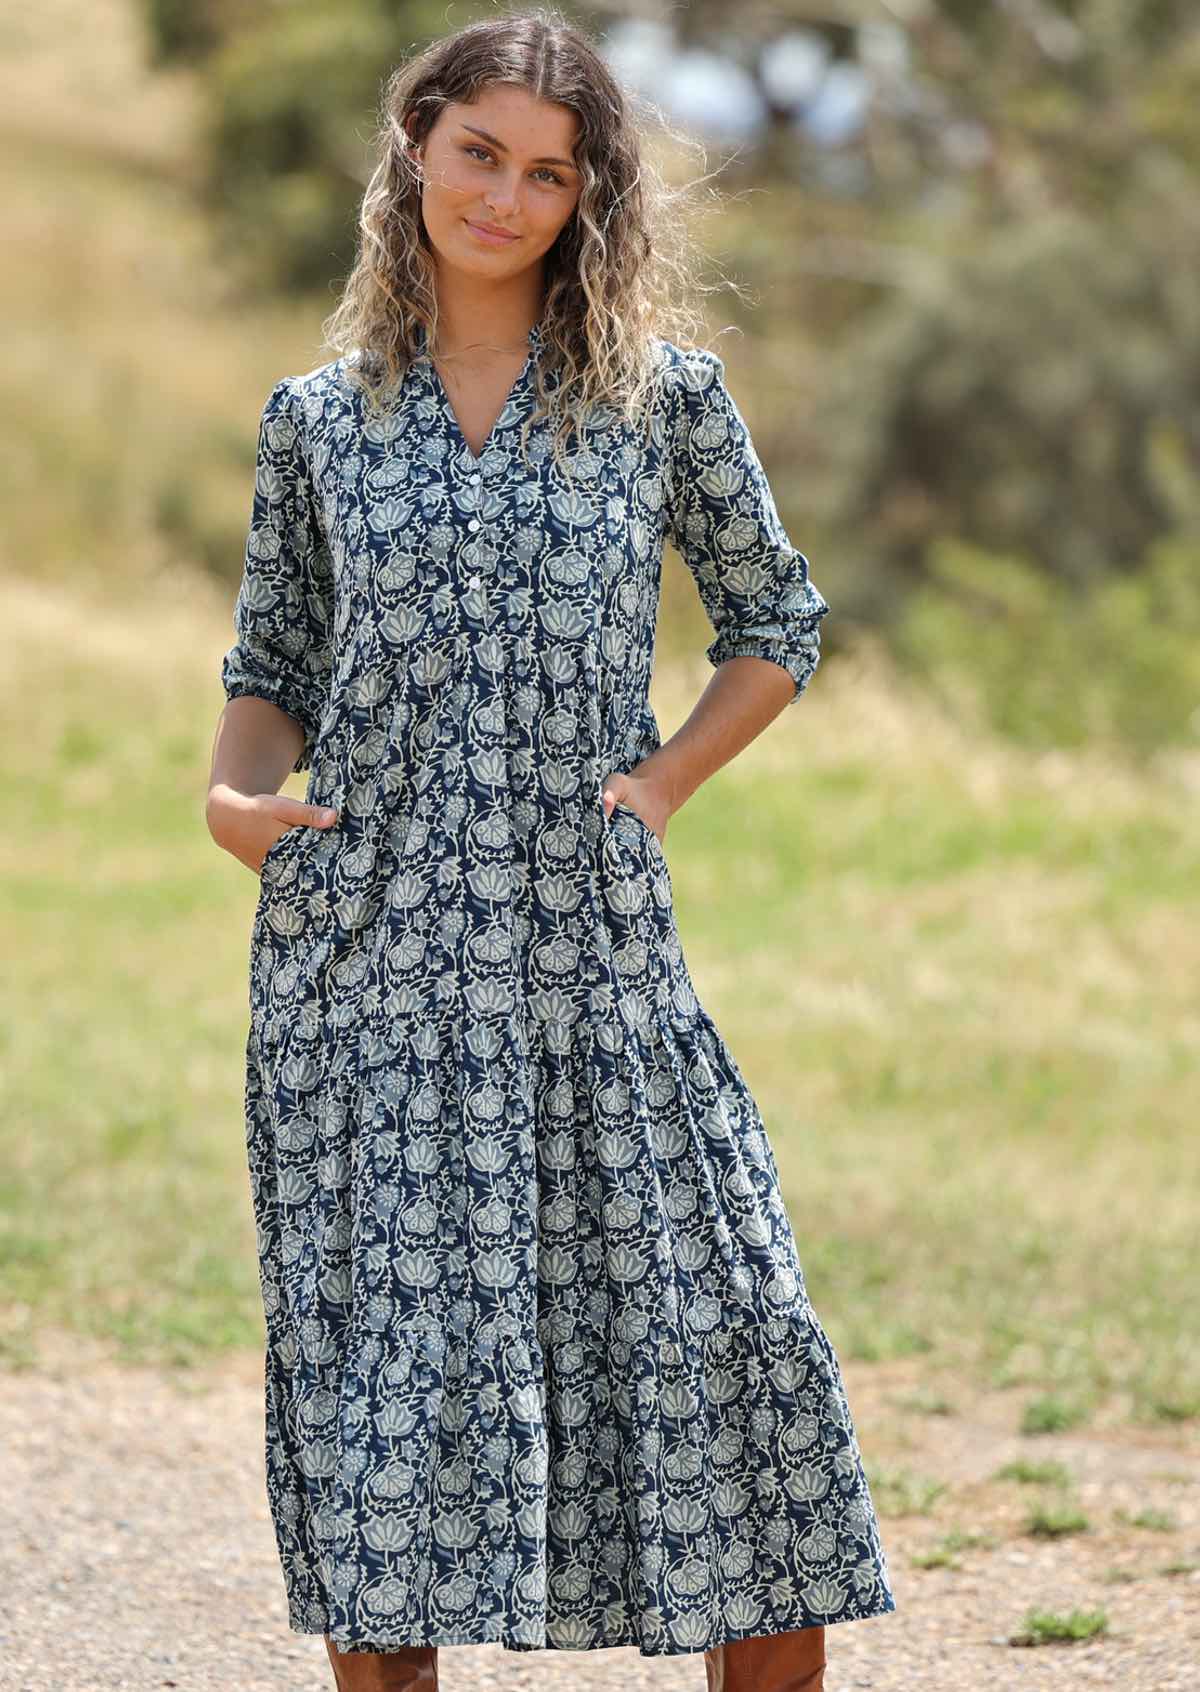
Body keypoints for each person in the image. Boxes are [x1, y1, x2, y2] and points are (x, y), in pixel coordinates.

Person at [205, 9, 896, 1690]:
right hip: (374, 963)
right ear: (415, 152)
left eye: (548, 173)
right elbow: (269, 672)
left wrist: (656, 789)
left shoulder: (659, 401)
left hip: (594, 949)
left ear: (588, 200)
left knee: (725, 1344)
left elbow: (777, 623)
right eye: (478, 156)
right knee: (394, 1395)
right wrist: (232, 803)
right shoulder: (317, 420)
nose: (506, 199)